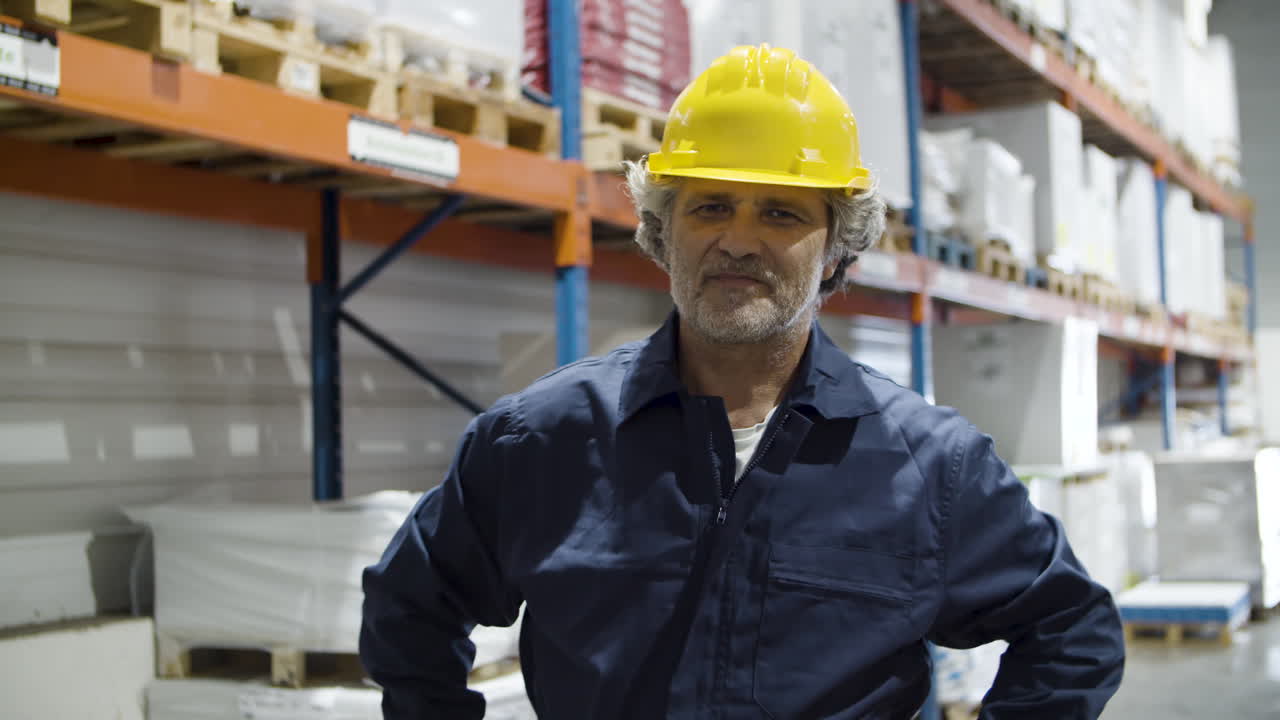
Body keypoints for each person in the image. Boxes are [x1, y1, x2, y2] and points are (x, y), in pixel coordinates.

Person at [360, 44, 1125, 719]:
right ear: (663, 231)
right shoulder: (543, 439)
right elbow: (411, 606)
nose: (738, 240)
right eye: (711, 207)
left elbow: (1072, 630)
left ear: (836, 248)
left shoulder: (929, 467)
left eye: (782, 214)